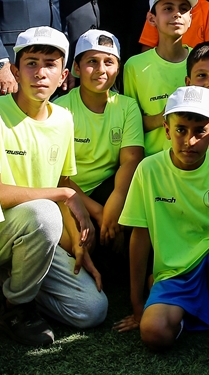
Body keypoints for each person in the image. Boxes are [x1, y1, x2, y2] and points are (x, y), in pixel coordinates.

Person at [0, 26, 108, 347]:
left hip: (37, 234)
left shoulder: (63, 119)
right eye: (31, 63)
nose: (40, 73)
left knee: (92, 310)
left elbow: (61, 182)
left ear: (64, 76)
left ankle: (5, 282)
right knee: (43, 213)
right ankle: (16, 308)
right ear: (14, 70)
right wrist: (63, 195)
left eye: (50, 64)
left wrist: (78, 246)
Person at [113, 86, 209, 349]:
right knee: (154, 334)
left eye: (200, 132)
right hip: (173, 274)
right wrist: (137, 303)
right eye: (181, 130)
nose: (190, 141)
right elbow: (140, 236)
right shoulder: (148, 169)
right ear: (166, 129)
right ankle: (186, 311)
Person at [53, 30, 145, 251]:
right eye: (92, 62)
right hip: (68, 193)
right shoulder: (59, 108)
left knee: (136, 202)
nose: (101, 70)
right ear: (76, 68)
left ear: (118, 68)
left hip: (108, 189)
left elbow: (131, 160)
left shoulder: (127, 106)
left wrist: (116, 202)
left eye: (109, 62)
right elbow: (57, 175)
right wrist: (99, 212)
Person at [124, 0, 194, 155]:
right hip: (151, 163)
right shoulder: (134, 66)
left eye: (183, 9)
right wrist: (164, 117)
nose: (177, 14)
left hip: (196, 159)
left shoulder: (200, 61)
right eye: (168, 8)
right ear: (151, 19)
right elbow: (130, 125)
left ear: (190, 19)